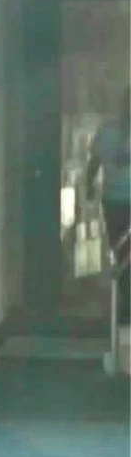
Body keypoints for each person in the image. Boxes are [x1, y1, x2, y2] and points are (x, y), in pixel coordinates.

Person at [87, 88, 130, 330]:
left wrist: (89, 186)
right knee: (123, 255)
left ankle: (125, 303)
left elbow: (93, 162)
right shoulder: (110, 131)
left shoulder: (107, 130)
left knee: (121, 253)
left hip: (113, 201)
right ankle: (126, 305)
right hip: (117, 200)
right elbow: (93, 162)